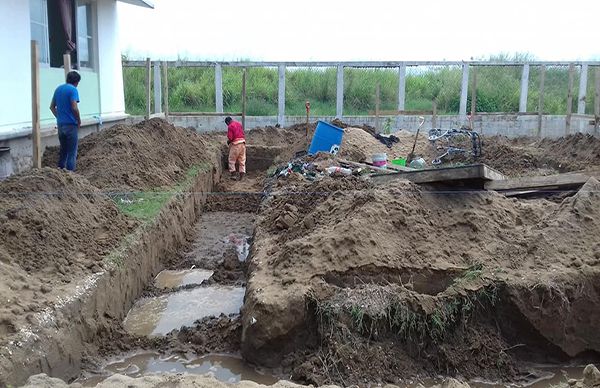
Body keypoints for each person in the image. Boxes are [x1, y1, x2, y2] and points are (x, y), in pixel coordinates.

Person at [50, 71, 81, 171]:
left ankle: (60, 173)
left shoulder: (58, 89)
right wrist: (78, 120)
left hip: (60, 125)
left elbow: (52, 107)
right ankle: (71, 177)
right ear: (76, 82)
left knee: (63, 151)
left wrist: (59, 117)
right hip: (71, 125)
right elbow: (74, 107)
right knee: (72, 152)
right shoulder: (73, 90)